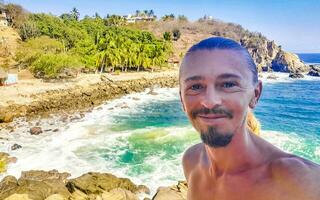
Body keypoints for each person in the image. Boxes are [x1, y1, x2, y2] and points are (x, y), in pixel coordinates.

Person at [179, 37, 320, 200]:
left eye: (228, 84)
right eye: (195, 87)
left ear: (255, 94)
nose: (210, 101)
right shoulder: (192, 161)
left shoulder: (303, 183)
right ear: (182, 100)